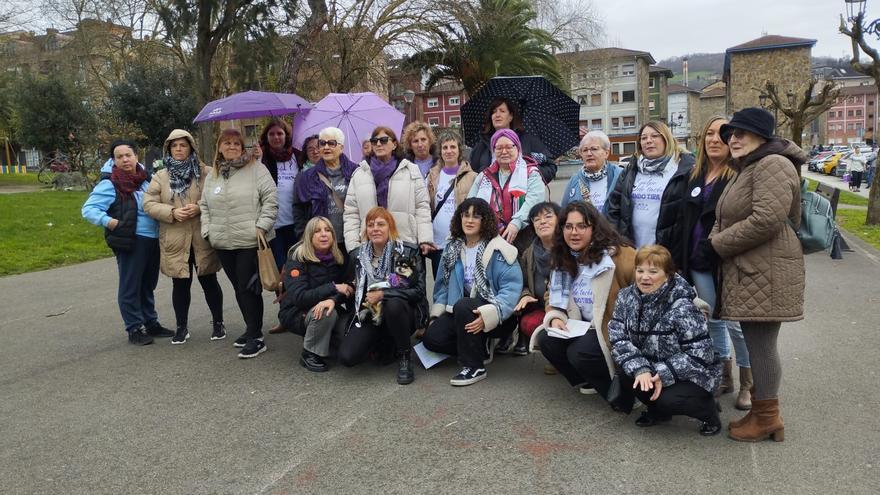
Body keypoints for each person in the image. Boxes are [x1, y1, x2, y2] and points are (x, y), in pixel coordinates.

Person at [710, 107, 806, 442]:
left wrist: (718, 244)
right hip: (754, 269)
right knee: (757, 342)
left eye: (741, 133)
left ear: (762, 136)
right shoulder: (751, 166)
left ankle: (768, 418)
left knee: (762, 346)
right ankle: (763, 411)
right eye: (730, 134)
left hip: (766, 270)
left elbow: (767, 219)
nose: (732, 139)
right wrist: (715, 237)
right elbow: (727, 214)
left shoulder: (773, 164)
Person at [677, 116, 752, 409]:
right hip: (697, 261)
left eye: (722, 134)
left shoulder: (738, 176)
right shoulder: (695, 174)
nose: (714, 139)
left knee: (736, 325)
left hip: (727, 262)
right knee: (714, 321)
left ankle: (748, 384)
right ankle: (724, 375)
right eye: (708, 133)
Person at [609, 245, 722, 436]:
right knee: (628, 373)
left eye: (653, 271)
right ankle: (658, 412)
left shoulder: (683, 305)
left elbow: (700, 353)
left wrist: (664, 372)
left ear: (668, 274)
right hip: (651, 366)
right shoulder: (625, 297)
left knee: (668, 399)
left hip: (692, 374)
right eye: (640, 270)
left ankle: (708, 411)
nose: (644, 277)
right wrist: (641, 369)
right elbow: (617, 336)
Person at [536, 201, 636, 399]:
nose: (574, 232)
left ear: (595, 228)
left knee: (579, 351)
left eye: (582, 226)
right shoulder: (562, 256)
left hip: (610, 328)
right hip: (579, 326)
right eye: (569, 226)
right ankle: (590, 378)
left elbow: (656, 279)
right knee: (547, 339)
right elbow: (551, 295)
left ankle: (624, 395)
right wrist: (555, 316)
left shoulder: (619, 255)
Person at [422, 198, 523, 386]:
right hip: (460, 314)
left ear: (485, 220)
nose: (469, 220)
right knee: (431, 339)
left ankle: (474, 366)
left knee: (464, 305)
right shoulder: (452, 248)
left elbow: (511, 290)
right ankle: (479, 347)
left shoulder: (499, 249)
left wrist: (489, 316)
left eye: (476, 216)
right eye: (465, 215)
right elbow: (443, 285)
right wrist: (436, 316)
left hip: (497, 315)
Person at [82, 140, 173, 345]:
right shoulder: (110, 183)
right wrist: (110, 222)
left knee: (148, 284)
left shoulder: (146, 180)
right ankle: (134, 327)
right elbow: (89, 209)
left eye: (128, 155)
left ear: (136, 156)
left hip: (152, 239)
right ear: (113, 160)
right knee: (130, 285)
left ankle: (151, 322)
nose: (124, 159)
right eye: (119, 156)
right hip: (131, 240)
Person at [199, 128, 278, 359]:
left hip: (249, 241)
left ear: (242, 147)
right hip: (223, 241)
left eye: (236, 143)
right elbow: (204, 205)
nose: (231, 147)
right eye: (227, 143)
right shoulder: (214, 174)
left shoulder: (257, 169)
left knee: (247, 287)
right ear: (220, 148)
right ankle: (250, 327)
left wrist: (261, 227)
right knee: (238, 287)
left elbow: (271, 200)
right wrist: (208, 230)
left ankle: (256, 336)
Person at [143, 129, 225, 344]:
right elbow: (149, 203)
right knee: (180, 284)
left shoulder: (206, 172)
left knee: (209, 280)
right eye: (174, 145)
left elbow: (218, 197)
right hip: (175, 237)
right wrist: (171, 212)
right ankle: (182, 327)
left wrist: (199, 207)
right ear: (168, 149)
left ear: (191, 147)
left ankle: (218, 323)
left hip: (201, 235)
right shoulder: (161, 176)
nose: (179, 149)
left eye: (183, 145)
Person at [339, 207, 428, 385]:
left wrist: (382, 294)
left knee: (393, 304)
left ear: (390, 228)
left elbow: (417, 291)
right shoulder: (358, 255)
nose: (375, 229)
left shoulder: (406, 252)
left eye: (381, 224)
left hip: (403, 312)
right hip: (370, 312)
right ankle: (383, 341)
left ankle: (404, 356)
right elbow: (352, 286)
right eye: (370, 225)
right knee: (347, 357)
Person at [607, 121, 695, 253]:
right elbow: (614, 208)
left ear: (666, 139)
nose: (648, 141)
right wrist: (618, 243)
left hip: (667, 254)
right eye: (643, 138)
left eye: (654, 136)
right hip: (631, 251)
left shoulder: (684, 169)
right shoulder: (631, 169)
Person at [343, 126, 433, 255]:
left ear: (394, 144)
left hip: (405, 244)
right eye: (374, 141)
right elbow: (351, 212)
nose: (379, 144)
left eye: (384, 140)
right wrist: (353, 246)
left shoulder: (410, 170)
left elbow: (422, 207)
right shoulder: (359, 174)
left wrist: (425, 239)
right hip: (369, 248)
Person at [278, 216, 352, 372]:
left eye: (327, 230)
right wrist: (332, 288)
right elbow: (299, 297)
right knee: (324, 313)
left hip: (328, 304)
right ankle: (310, 353)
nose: (323, 234)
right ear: (309, 236)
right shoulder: (297, 258)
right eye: (317, 231)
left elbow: (347, 287)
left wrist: (333, 299)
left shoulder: (338, 256)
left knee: (350, 331)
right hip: (296, 311)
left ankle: (327, 338)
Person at [498, 201, 560, 357]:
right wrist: (525, 295)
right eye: (536, 219)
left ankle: (559, 353)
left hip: (565, 308)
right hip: (539, 305)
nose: (542, 222)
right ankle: (548, 350)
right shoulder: (529, 253)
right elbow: (522, 283)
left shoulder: (567, 249)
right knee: (528, 320)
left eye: (548, 216)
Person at [467, 128, 544, 249]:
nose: (504, 151)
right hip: (489, 238)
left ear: (517, 148)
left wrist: (516, 223)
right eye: (499, 148)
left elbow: (534, 201)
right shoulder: (484, 176)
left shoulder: (530, 173)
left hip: (524, 238)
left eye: (509, 147)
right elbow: (470, 204)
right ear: (493, 151)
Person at [293, 127, 358, 252]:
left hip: (351, 240)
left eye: (332, 143)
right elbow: (299, 209)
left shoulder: (356, 172)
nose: (326, 147)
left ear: (341, 147)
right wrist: (303, 236)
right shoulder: (306, 177)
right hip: (320, 243)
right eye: (322, 143)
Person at [425, 130, 477, 278]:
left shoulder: (472, 177)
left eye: (453, 147)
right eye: (445, 147)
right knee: (441, 286)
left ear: (459, 150)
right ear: (440, 151)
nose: (449, 151)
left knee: (461, 284)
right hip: (438, 243)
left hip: (462, 241)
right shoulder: (432, 176)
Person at [469, 97, 557, 183]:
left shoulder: (527, 140)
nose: (497, 115)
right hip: (490, 195)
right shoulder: (483, 144)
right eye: (494, 112)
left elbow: (550, 167)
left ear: (510, 116)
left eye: (502, 111)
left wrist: (528, 175)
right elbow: (472, 172)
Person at [259, 119, 301, 268]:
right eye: (271, 134)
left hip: (296, 223)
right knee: (280, 268)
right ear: (266, 137)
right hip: (273, 225)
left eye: (279, 133)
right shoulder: (261, 158)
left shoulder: (297, 156)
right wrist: (256, 159)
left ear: (286, 135)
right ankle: (282, 292)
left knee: (297, 267)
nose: (276, 137)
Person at [561, 131, 623, 215]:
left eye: (594, 149)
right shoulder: (574, 181)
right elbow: (564, 212)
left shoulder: (620, 175)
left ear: (606, 153)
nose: (589, 154)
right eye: (585, 150)